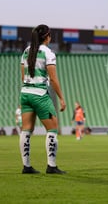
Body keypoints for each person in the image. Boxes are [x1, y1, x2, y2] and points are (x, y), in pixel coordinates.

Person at [19, 24, 66, 174]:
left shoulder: (26, 51)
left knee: (26, 130)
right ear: (47, 36)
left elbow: (22, 76)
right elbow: (53, 79)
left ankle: (26, 166)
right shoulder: (48, 53)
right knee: (52, 129)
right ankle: (51, 166)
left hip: (25, 93)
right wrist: (62, 99)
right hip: (39, 94)